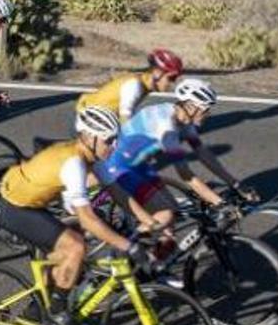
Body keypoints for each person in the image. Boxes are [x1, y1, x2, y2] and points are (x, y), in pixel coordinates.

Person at [0, 106, 135, 325]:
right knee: (76, 247)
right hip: (15, 208)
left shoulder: (90, 157)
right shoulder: (74, 163)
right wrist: (127, 246)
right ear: (90, 137)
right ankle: (57, 310)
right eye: (109, 140)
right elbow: (87, 218)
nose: (114, 146)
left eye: (116, 139)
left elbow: (117, 191)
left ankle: (38, 308)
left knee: (71, 249)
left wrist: (149, 221)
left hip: (29, 202)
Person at [97, 78, 258, 258]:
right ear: (191, 107)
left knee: (172, 215)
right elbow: (186, 175)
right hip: (119, 167)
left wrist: (236, 185)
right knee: (164, 216)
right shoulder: (168, 129)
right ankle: (119, 258)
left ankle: (153, 270)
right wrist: (220, 203)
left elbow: (203, 153)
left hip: (139, 166)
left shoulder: (183, 120)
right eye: (206, 109)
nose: (208, 114)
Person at [76, 48, 183, 123]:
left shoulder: (143, 82)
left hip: (102, 116)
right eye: (171, 78)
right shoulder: (135, 86)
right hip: (92, 117)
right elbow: (125, 118)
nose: (172, 82)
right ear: (157, 73)